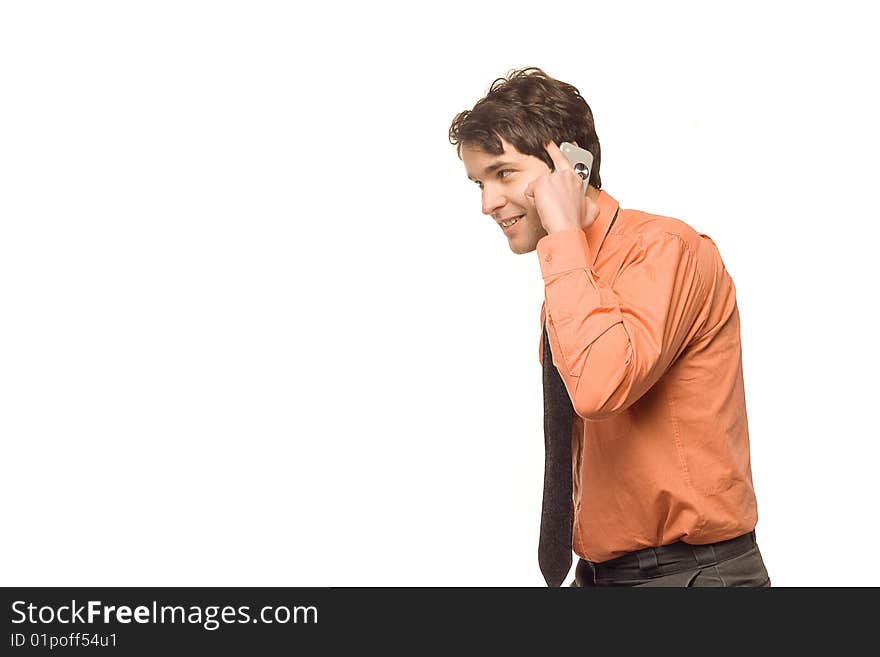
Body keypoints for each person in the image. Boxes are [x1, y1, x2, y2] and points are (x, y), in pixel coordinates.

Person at [448, 67, 770, 587]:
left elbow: (601, 389)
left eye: (504, 174)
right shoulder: (573, 271)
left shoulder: (662, 251)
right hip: (605, 574)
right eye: (478, 183)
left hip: (690, 576)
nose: (487, 203)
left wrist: (563, 239)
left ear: (570, 166)